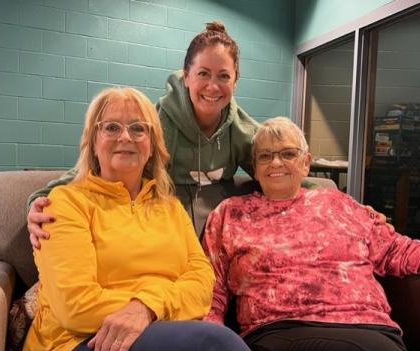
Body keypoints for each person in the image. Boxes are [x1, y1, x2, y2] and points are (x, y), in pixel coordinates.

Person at [21, 87, 257, 351]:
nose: (125, 137)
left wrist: (147, 308)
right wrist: (149, 308)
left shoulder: (170, 207)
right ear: (93, 141)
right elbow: (74, 307)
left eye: (138, 128)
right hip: (78, 343)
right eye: (111, 127)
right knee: (217, 346)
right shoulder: (65, 204)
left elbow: (202, 284)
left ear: (153, 144)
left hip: (157, 326)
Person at [202, 117, 420, 351]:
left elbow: (397, 252)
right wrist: (213, 337)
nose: (276, 162)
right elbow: (212, 284)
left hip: (364, 326)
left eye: (288, 154)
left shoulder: (340, 204)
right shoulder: (231, 213)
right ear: (254, 168)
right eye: (265, 156)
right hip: (276, 330)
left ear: (306, 163)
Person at [26, 21, 264, 245]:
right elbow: (100, 164)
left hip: (219, 237)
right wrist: (41, 198)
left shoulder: (243, 130)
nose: (213, 86)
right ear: (187, 76)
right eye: (203, 73)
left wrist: (301, 197)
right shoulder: (158, 124)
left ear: (235, 81)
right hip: (165, 229)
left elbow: (280, 169)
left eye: (223, 76)